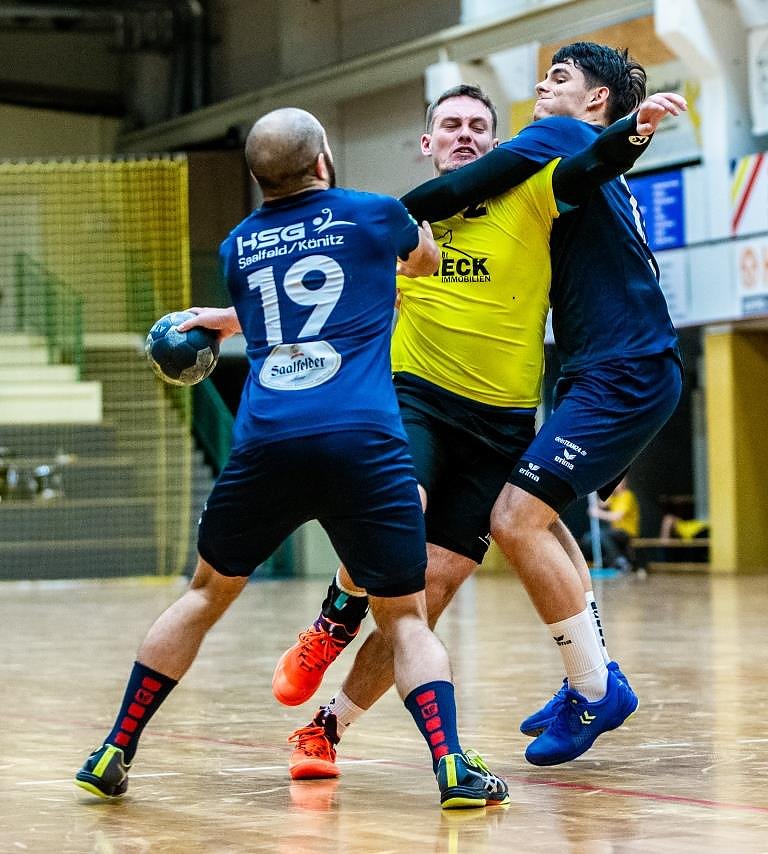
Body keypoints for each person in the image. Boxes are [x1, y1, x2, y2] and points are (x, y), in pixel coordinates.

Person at [74, 107, 510, 811]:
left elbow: (267, 312)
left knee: (203, 595)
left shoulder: (237, 246)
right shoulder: (374, 214)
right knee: (404, 618)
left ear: (259, 177)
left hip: (267, 444)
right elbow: (423, 262)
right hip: (362, 442)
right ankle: (453, 767)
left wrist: (221, 320)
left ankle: (112, 751)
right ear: (324, 159)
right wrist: (415, 242)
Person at [264, 63, 685, 774]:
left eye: (479, 127)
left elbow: (590, 168)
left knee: (430, 591)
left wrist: (629, 135)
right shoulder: (396, 232)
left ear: (499, 145)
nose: (465, 135)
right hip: (418, 399)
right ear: (426, 143)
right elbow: (320, 304)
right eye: (451, 126)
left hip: (503, 422)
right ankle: (334, 618)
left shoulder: (535, 191)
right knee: (401, 510)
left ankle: (327, 728)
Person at [399, 42, 685, 767]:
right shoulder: (582, 158)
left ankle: (594, 689)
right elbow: (595, 167)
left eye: (558, 78)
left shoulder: (558, 134)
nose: (540, 86)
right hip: (602, 371)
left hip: (623, 370)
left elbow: (463, 188)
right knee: (539, 515)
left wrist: (371, 224)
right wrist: (629, 138)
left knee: (513, 519)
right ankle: (593, 674)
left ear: (594, 100)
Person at [581, 476, 640, 570]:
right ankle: (607, 561)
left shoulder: (626, 495)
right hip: (614, 533)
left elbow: (616, 516)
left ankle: (619, 561)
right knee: (589, 537)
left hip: (626, 532)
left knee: (600, 534)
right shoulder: (614, 497)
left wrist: (597, 513)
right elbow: (600, 504)